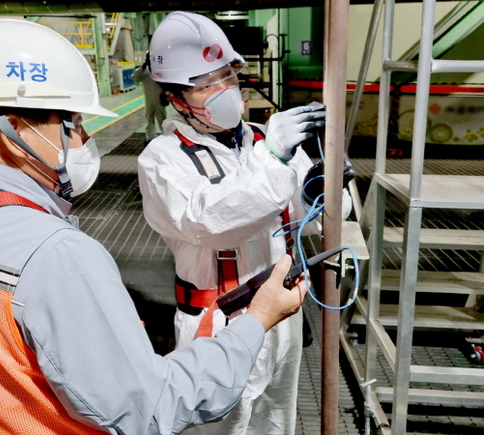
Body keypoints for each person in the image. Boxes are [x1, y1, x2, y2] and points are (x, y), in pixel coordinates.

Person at [0, 19, 309, 435]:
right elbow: (150, 410)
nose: (83, 140)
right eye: (74, 123)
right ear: (15, 130)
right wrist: (258, 319)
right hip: (227, 323)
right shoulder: (58, 255)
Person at [138, 11, 353, 435]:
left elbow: (309, 220)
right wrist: (274, 157)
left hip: (282, 316)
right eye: (205, 84)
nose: (223, 90)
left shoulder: (265, 140)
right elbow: (210, 221)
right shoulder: (162, 159)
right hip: (219, 323)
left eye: (227, 76)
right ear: (176, 97)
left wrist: (321, 190)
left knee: (276, 423)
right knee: (219, 428)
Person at [132, 56, 167, 143]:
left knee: (162, 119)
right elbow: (135, 78)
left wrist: (167, 96)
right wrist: (142, 68)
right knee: (149, 118)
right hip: (149, 99)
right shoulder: (144, 71)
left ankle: (165, 136)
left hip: (159, 99)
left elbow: (167, 82)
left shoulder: (160, 70)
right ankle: (150, 137)